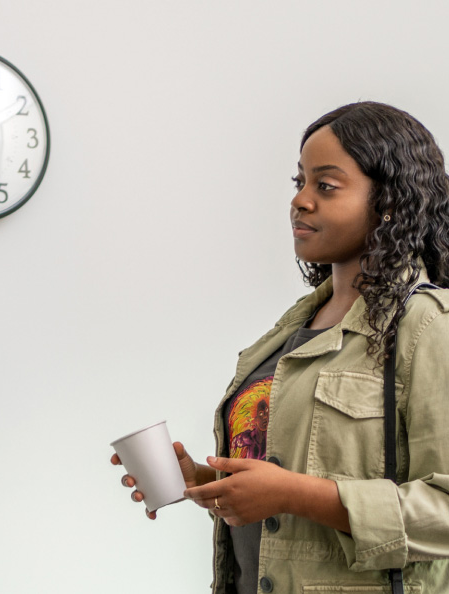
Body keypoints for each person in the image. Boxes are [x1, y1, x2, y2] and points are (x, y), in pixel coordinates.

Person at [112, 101, 449, 593]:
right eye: (300, 183)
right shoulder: (292, 328)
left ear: (390, 201)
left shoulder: (427, 326)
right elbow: (289, 488)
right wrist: (211, 480)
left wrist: (293, 494)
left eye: (326, 185)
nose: (301, 200)